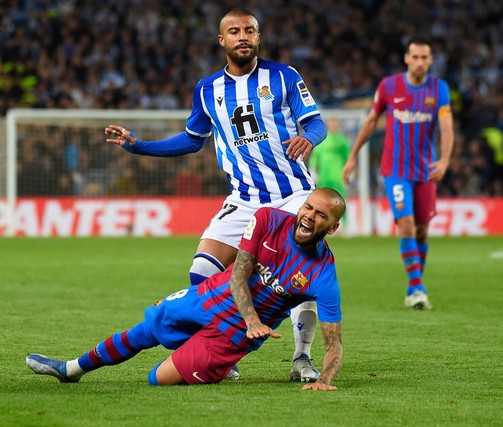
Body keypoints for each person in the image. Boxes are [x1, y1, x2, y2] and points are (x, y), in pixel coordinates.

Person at [102, 8, 327, 381]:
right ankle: (223, 354)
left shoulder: (284, 76)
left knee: (298, 274)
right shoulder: (208, 89)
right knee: (202, 271)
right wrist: (140, 146)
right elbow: (191, 140)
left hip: (292, 193)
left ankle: (301, 357)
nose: (243, 37)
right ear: (221, 40)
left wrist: (310, 137)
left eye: (250, 31)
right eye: (235, 31)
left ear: (258, 37)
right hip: (243, 197)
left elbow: (315, 121)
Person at [26, 188, 345, 389]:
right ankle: (71, 369)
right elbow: (238, 275)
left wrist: (325, 381)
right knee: (144, 330)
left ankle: (216, 365)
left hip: (231, 336)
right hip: (209, 298)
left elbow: (335, 344)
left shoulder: (322, 275)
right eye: (308, 207)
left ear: (332, 227)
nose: (309, 216)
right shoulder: (267, 219)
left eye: (321, 215)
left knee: (157, 379)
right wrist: (253, 320)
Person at [342, 36, 454, 310]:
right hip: (395, 170)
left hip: (425, 171)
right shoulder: (389, 86)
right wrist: (353, 157)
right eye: (414, 57)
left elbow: (447, 126)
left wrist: (444, 160)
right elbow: (370, 121)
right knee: (405, 224)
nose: (419, 62)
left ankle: (414, 284)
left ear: (430, 60)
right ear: (407, 58)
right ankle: (417, 288)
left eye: (424, 58)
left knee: (423, 230)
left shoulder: (438, 89)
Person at [308, 118, 351, 199]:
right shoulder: (322, 140)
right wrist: (313, 171)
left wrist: (349, 174)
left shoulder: (343, 141)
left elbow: (348, 159)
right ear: (328, 123)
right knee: (323, 201)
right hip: (323, 178)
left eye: (335, 121)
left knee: (338, 202)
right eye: (332, 121)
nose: (333, 124)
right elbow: (315, 157)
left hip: (338, 179)